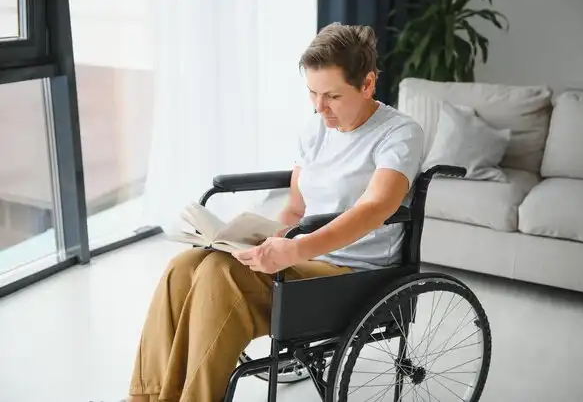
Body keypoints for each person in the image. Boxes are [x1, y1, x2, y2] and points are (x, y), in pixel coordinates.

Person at [126, 22, 424, 402]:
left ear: (367, 84)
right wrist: (267, 237)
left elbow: (376, 207)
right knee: (184, 266)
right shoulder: (316, 128)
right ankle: (144, 398)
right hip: (306, 260)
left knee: (221, 275)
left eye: (332, 95)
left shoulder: (399, 133)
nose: (320, 107)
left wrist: (298, 249)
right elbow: (296, 207)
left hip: (357, 275)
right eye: (312, 93)